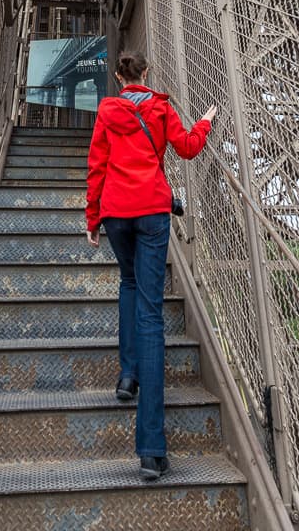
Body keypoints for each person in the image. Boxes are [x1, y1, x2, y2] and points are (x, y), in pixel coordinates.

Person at [85, 49, 216, 481]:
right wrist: (206, 121)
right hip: (153, 213)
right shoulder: (160, 108)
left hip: (117, 213)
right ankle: (151, 449)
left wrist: (92, 217)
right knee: (152, 316)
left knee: (127, 284)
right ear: (147, 74)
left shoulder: (107, 112)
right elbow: (188, 148)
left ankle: (127, 376)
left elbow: (97, 166)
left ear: (117, 77)